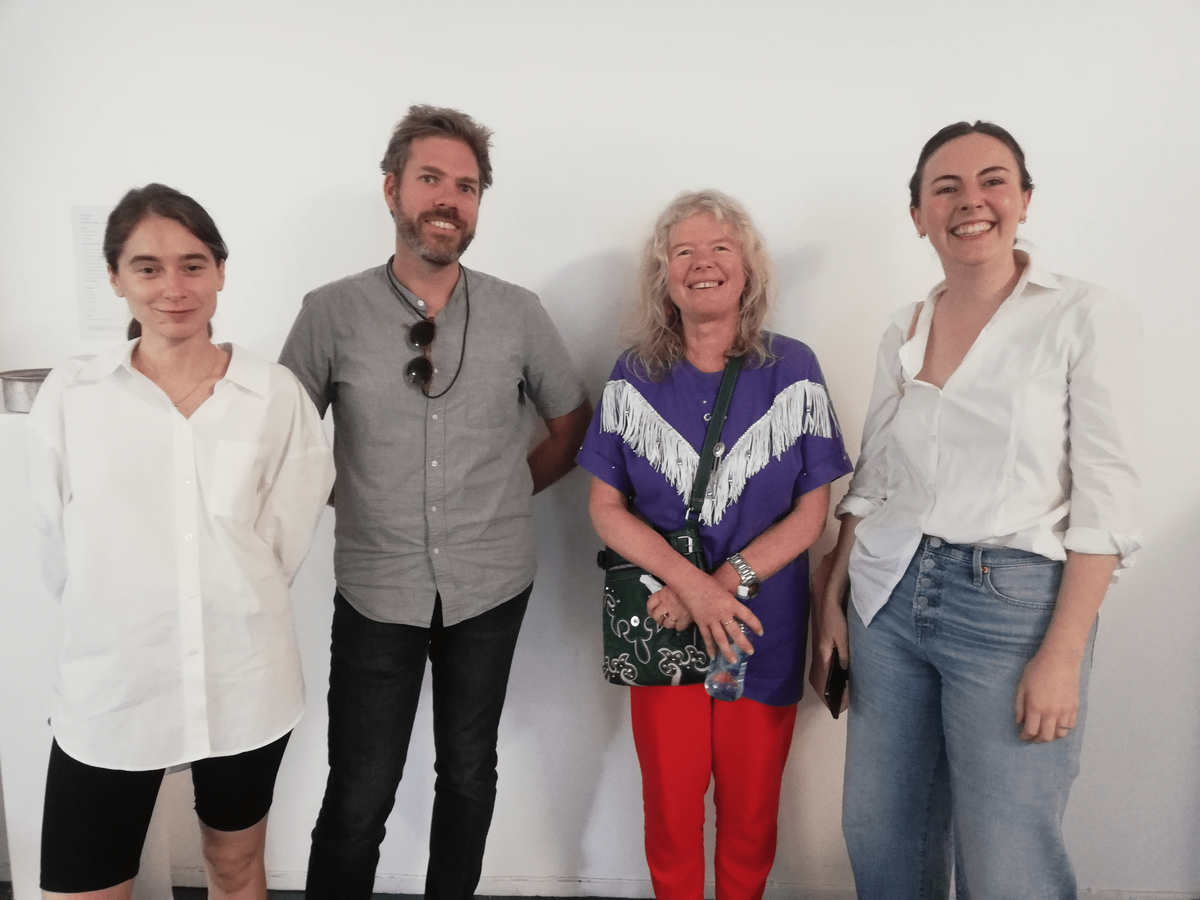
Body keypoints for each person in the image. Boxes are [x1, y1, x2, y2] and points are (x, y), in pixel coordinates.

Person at [808, 122, 1142, 898]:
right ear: (919, 213)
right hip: (887, 597)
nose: (971, 202)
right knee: (882, 833)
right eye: (945, 188)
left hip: (1013, 605)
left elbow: (1108, 499)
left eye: (993, 181)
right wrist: (833, 593)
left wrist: (1062, 654)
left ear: (1024, 200)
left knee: (1007, 856)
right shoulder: (906, 326)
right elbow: (877, 475)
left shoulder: (1082, 315)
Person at [279, 104, 592, 900]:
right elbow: (281, 437)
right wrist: (349, 495)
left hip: (492, 586)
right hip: (377, 590)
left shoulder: (518, 312)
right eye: (431, 179)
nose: (449, 199)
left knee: (467, 772)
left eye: (467, 185)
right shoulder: (330, 312)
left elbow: (570, 421)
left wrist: (506, 492)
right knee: (358, 796)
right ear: (391, 190)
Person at [27, 183, 335, 900]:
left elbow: (283, 541)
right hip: (113, 687)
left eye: (193, 264)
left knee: (234, 867)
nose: (173, 287)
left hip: (243, 680)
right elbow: (54, 543)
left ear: (221, 272)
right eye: (147, 267)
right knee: (83, 886)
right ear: (114, 278)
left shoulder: (274, 394)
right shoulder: (73, 395)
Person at [579, 190, 853, 900]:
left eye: (721, 248)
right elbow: (605, 509)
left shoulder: (793, 368)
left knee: (751, 817)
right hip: (662, 625)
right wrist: (690, 587)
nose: (703, 263)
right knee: (670, 816)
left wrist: (717, 586)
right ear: (663, 275)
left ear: (748, 268)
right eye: (684, 252)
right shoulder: (632, 374)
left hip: (762, 629)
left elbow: (810, 513)